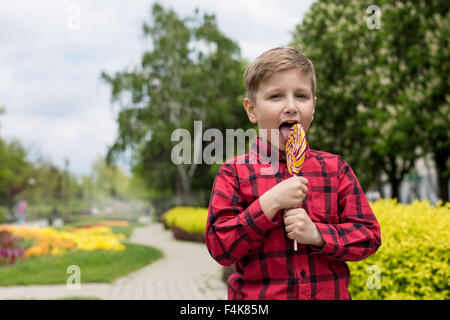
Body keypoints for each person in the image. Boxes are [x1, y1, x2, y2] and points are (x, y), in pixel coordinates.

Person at [205, 47, 381, 300]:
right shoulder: (233, 173)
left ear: (313, 106)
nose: (291, 106)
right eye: (276, 96)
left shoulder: (336, 169)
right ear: (252, 110)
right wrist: (269, 203)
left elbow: (369, 236)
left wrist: (318, 235)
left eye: (301, 96)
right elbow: (220, 248)